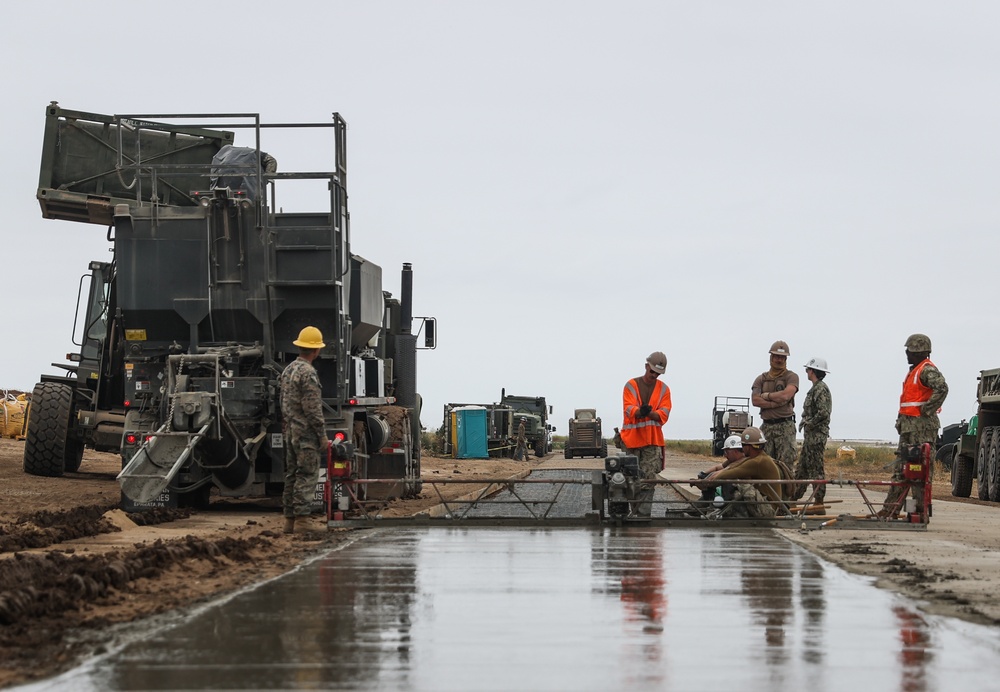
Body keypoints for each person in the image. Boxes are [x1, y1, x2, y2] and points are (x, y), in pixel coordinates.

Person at [881, 333, 948, 516]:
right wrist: (900, 421)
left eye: (909, 350)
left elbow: (942, 388)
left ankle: (920, 511)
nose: (906, 354)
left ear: (919, 352)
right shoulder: (915, 370)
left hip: (922, 430)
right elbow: (908, 400)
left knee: (919, 472)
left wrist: (928, 409)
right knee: (902, 470)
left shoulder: (926, 370)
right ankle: (891, 510)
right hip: (909, 428)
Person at [279, 326, 330, 534]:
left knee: (291, 474)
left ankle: (289, 521)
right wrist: (322, 436)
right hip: (306, 434)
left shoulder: (288, 369)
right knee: (307, 474)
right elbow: (313, 409)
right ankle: (302, 521)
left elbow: (283, 402)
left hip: (290, 430)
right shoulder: (308, 373)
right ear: (316, 351)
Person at [621, 351, 672, 517]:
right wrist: (640, 411)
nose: (654, 376)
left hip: (652, 442)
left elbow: (663, 414)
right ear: (646, 367)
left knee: (648, 480)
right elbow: (629, 409)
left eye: (658, 374)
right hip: (631, 441)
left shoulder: (664, 389)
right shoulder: (631, 385)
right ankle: (629, 512)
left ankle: (642, 515)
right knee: (628, 479)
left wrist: (648, 413)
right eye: (652, 372)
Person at [693, 427, 782, 518]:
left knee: (735, 483)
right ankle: (696, 510)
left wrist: (706, 483)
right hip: (765, 504)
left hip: (768, 509)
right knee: (733, 483)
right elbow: (729, 468)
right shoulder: (757, 458)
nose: (742, 449)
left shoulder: (757, 462)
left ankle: (732, 516)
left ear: (749, 447)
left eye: (743, 445)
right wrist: (707, 479)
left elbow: (728, 474)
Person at [751, 340, 799, 472]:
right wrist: (775, 402)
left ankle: (786, 493)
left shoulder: (792, 377)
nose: (779, 360)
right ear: (771, 357)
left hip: (785, 427)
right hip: (766, 427)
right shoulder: (761, 379)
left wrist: (765, 396)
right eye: (776, 356)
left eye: (782, 357)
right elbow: (755, 400)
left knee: (786, 466)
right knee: (764, 465)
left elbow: (785, 396)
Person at [791, 357, 833, 509]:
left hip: (816, 437)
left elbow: (823, 413)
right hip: (811, 437)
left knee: (816, 469)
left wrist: (810, 423)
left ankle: (819, 502)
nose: (806, 372)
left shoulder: (820, 389)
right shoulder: (815, 389)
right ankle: (793, 499)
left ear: (813, 371)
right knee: (802, 469)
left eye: (808, 369)